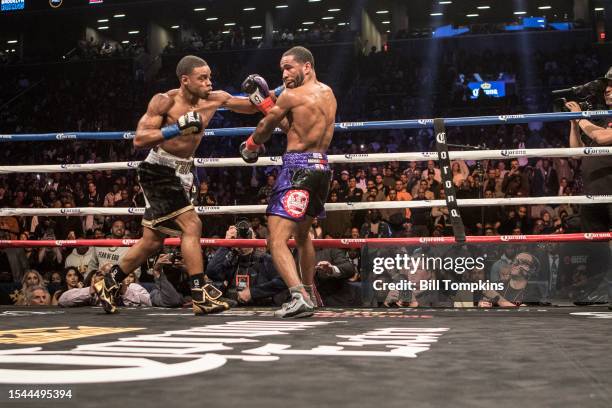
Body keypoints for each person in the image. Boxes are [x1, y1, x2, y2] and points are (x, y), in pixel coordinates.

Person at [94, 55, 262, 315]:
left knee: (152, 241)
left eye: (209, 76)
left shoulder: (215, 98)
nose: (209, 82)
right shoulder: (164, 101)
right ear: (185, 80)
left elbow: (250, 107)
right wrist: (176, 129)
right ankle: (200, 292)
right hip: (158, 169)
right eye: (202, 78)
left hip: (183, 173)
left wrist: (274, 92)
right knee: (192, 225)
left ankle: (109, 282)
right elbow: (140, 139)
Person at [239, 46, 336, 317]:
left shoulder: (292, 95)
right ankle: (309, 291)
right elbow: (294, 127)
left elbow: (265, 128)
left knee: (276, 239)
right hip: (321, 168)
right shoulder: (327, 93)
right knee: (303, 237)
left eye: (289, 67)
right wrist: (269, 103)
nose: (284, 74)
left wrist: (250, 146)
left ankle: (298, 296)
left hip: (297, 170)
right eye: (281, 68)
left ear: (307, 66)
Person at [565, 67, 612, 233]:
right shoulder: (604, 119)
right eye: (606, 86)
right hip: (592, 195)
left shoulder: (599, 125)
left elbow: (601, 138)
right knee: (595, 249)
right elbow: (577, 152)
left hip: (610, 195)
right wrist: (573, 123)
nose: (607, 90)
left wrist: (580, 117)